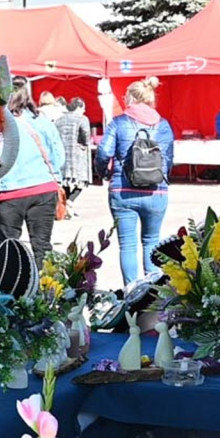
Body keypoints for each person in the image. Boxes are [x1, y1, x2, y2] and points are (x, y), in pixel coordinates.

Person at [96, 76, 174, 286]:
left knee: (128, 245)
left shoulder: (118, 122)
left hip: (123, 190)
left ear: (130, 97)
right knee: (152, 241)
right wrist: (162, 179)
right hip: (156, 192)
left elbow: (103, 152)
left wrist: (105, 174)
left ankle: (131, 291)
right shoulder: (164, 125)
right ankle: (153, 293)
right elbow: (168, 159)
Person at [0, 89, 65, 266]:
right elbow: (58, 155)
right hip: (43, 187)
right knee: (42, 248)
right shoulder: (41, 121)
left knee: (8, 250)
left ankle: (11, 283)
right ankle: (45, 283)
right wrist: (54, 175)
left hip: (9, 191)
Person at [55, 97, 91, 202]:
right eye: (83, 108)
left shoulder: (59, 119)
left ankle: (65, 203)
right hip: (78, 154)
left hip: (63, 155)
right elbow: (86, 135)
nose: (84, 110)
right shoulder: (82, 119)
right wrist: (85, 143)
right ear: (79, 107)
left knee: (65, 181)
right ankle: (70, 201)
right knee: (81, 182)